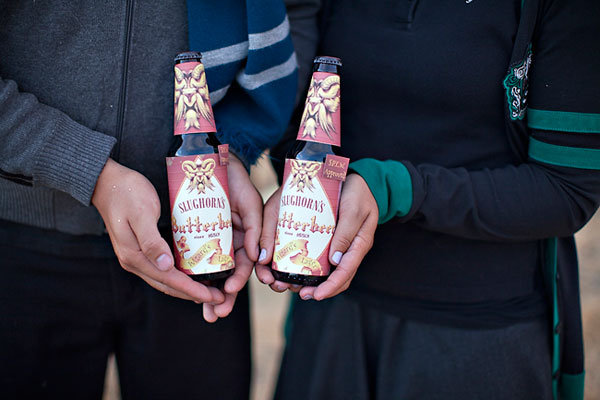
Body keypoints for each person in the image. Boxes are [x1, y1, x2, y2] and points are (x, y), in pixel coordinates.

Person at [256, 0, 600, 399]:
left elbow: (566, 190)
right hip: (330, 313)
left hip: (476, 335)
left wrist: (391, 187)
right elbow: (291, 98)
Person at [0, 1, 296, 398]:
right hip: (23, 241)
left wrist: (231, 148)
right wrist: (84, 168)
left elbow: (298, 10)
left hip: (202, 242)